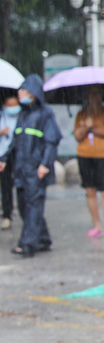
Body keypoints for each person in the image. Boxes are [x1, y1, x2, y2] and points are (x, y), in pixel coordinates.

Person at [0, 75, 62, 257]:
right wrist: (3, 158)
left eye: (23, 90)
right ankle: (43, 239)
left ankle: (27, 244)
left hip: (36, 170)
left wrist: (45, 164)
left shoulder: (45, 114)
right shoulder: (23, 115)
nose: (20, 94)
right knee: (24, 207)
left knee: (33, 206)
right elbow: (15, 141)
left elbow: (51, 141)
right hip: (21, 170)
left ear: (33, 92)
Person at [73, 85, 104, 238]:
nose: (94, 97)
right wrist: (86, 127)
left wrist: (94, 128)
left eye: (97, 94)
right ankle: (96, 225)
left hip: (102, 156)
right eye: (91, 94)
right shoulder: (82, 114)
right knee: (89, 190)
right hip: (85, 156)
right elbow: (78, 135)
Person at [0, 94, 21, 230]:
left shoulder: (24, 114)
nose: (13, 108)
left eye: (15, 105)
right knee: (5, 186)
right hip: (2, 154)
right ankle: (7, 214)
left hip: (18, 154)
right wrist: (1, 132)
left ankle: (24, 212)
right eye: (10, 105)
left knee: (21, 185)